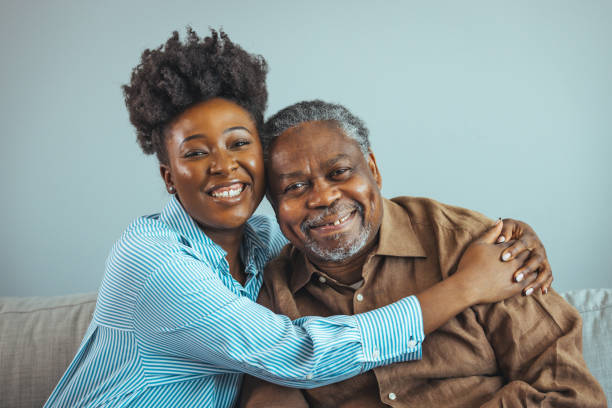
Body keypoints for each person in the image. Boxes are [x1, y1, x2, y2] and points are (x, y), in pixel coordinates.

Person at [44, 30, 553, 408]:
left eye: (240, 143)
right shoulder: (150, 258)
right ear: (169, 176)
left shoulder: (267, 245)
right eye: (196, 153)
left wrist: (516, 237)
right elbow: (298, 355)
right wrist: (469, 286)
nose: (224, 165)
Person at [239, 100, 606, 407]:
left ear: (374, 170)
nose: (322, 198)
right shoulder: (273, 293)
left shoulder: (475, 246)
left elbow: (572, 396)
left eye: (339, 172)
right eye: (295, 187)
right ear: (273, 204)